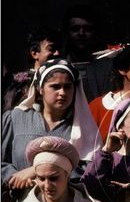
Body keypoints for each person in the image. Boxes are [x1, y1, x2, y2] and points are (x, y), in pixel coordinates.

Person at [2, 58, 102, 193]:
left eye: (68, 87)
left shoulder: (83, 127)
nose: (62, 93)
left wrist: (35, 171)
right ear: (40, 89)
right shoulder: (16, 118)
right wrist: (13, 177)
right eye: (55, 86)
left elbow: (90, 167)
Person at [62, 3, 114, 102]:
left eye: (87, 29)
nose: (81, 33)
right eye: (75, 29)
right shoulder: (59, 65)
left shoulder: (108, 67)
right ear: (67, 32)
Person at [2, 27, 61, 112]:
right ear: (34, 54)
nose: (57, 53)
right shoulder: (19, 83)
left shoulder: (65, 80)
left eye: (59, 48)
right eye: (51, 49)